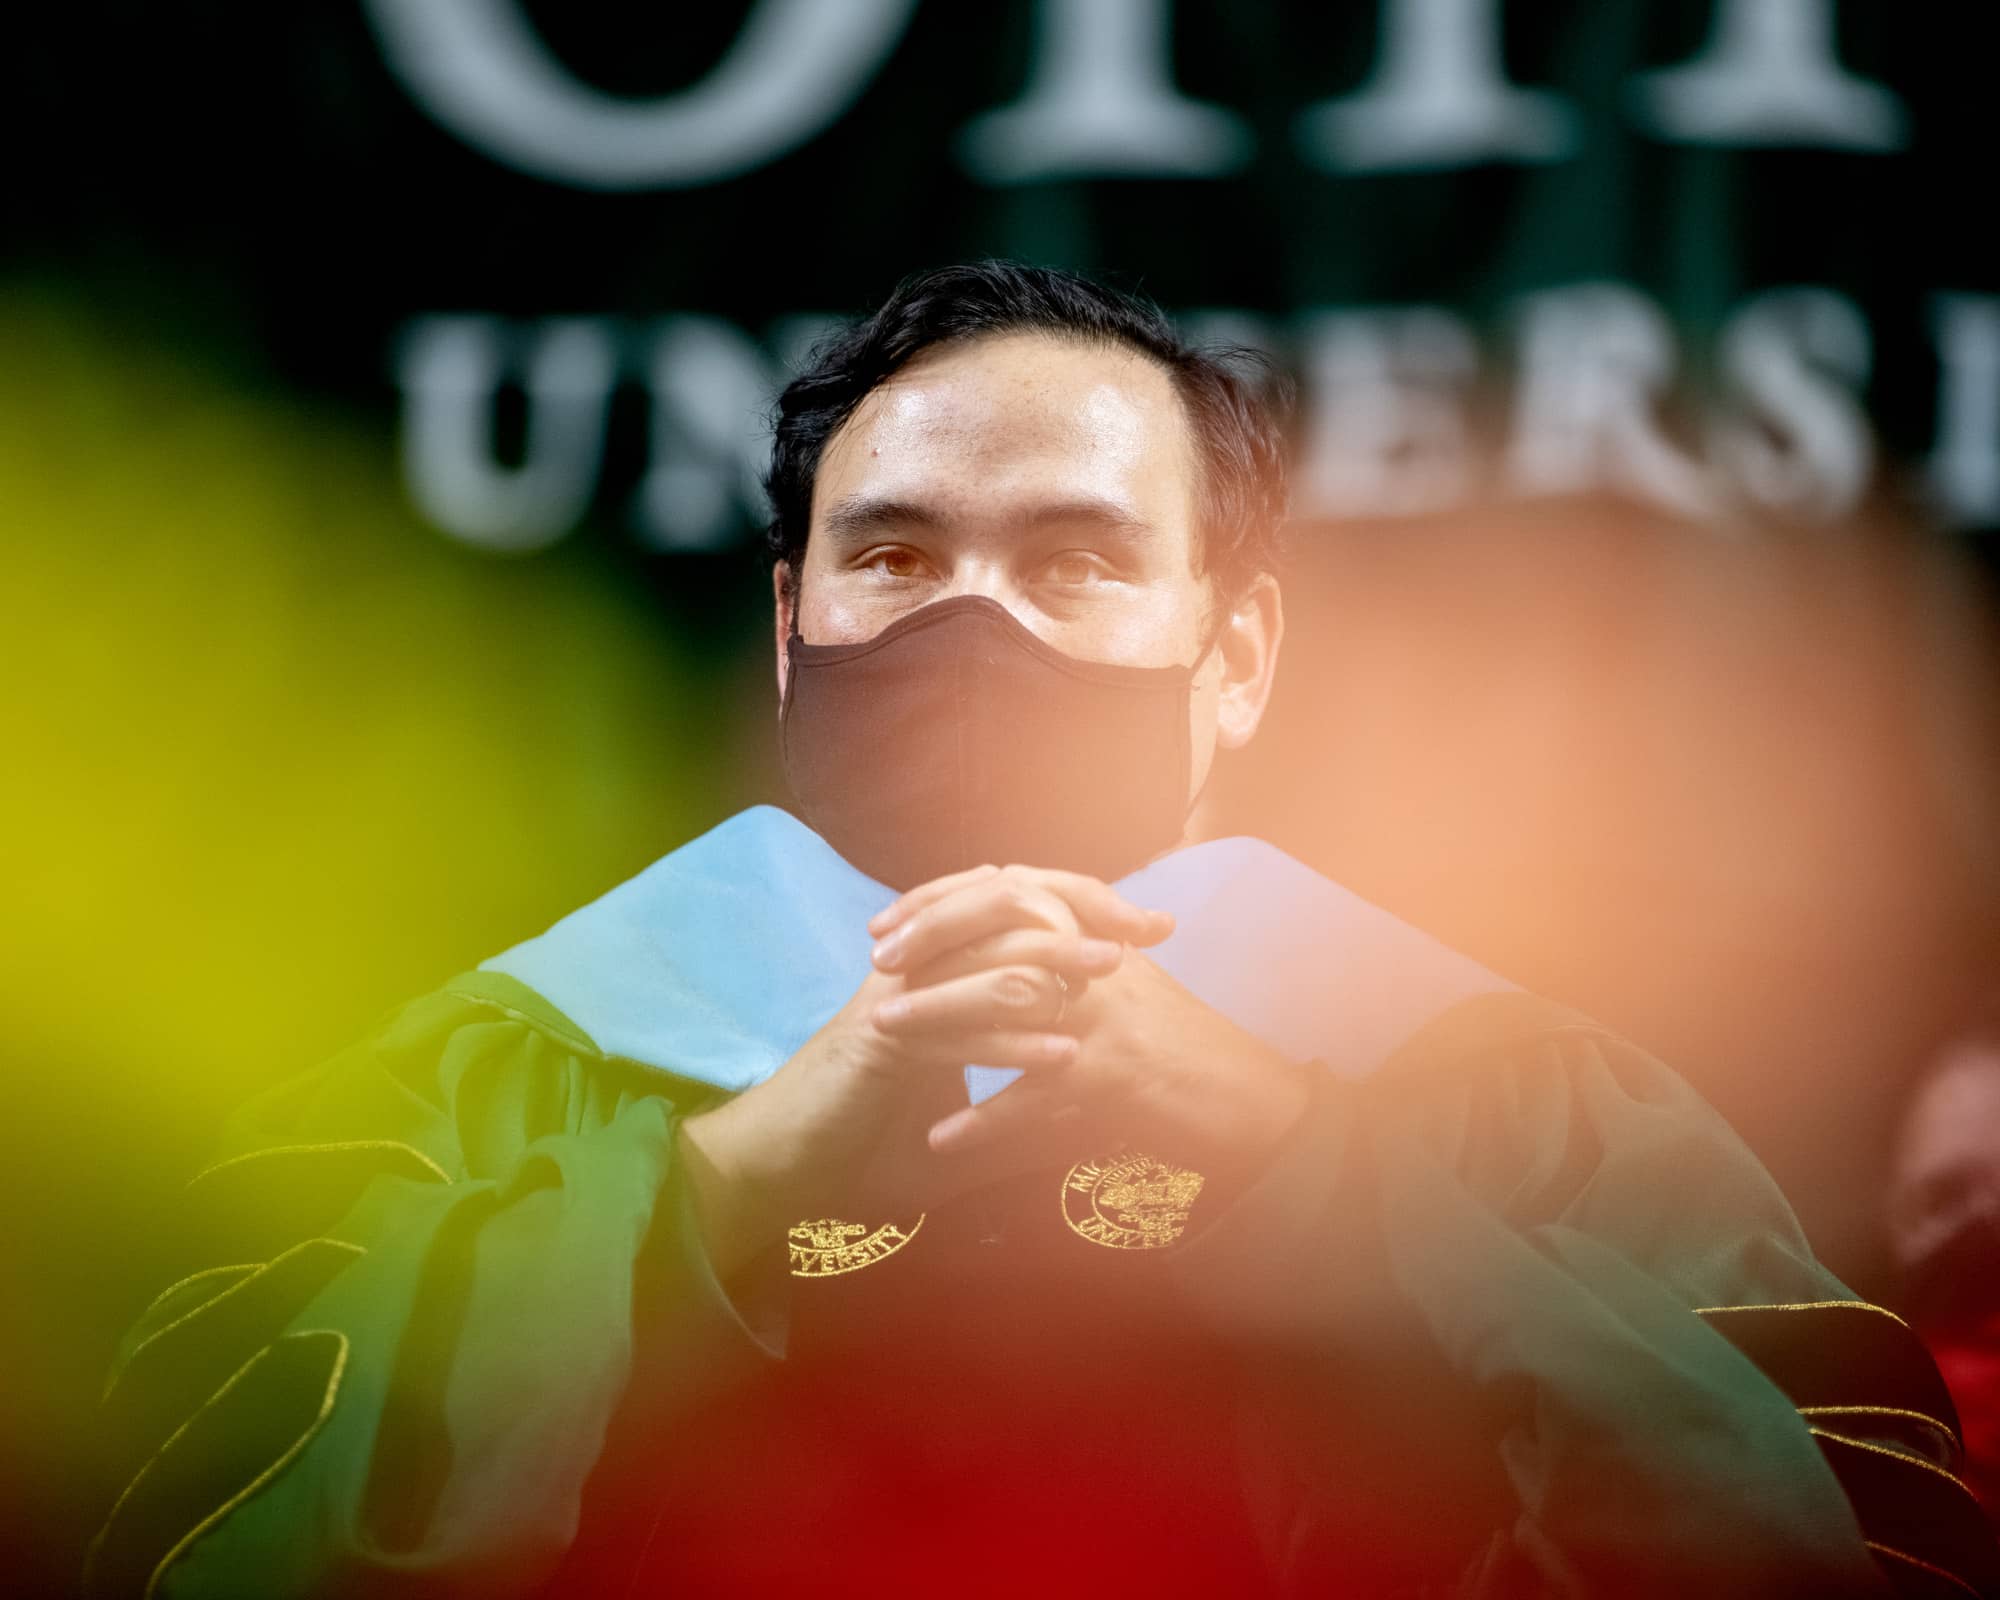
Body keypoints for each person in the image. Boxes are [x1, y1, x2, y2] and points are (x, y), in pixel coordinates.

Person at [85, 263, 1996, 1599]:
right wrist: (714, 1189)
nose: (968, 630)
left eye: (1077, 561)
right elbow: (158, 1517)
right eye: (895, 558)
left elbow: (1846, 1546)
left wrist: (1328, 1175)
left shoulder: (1529, 1102)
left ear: (1234, 658)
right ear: (788, 624)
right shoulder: (490, 1073)